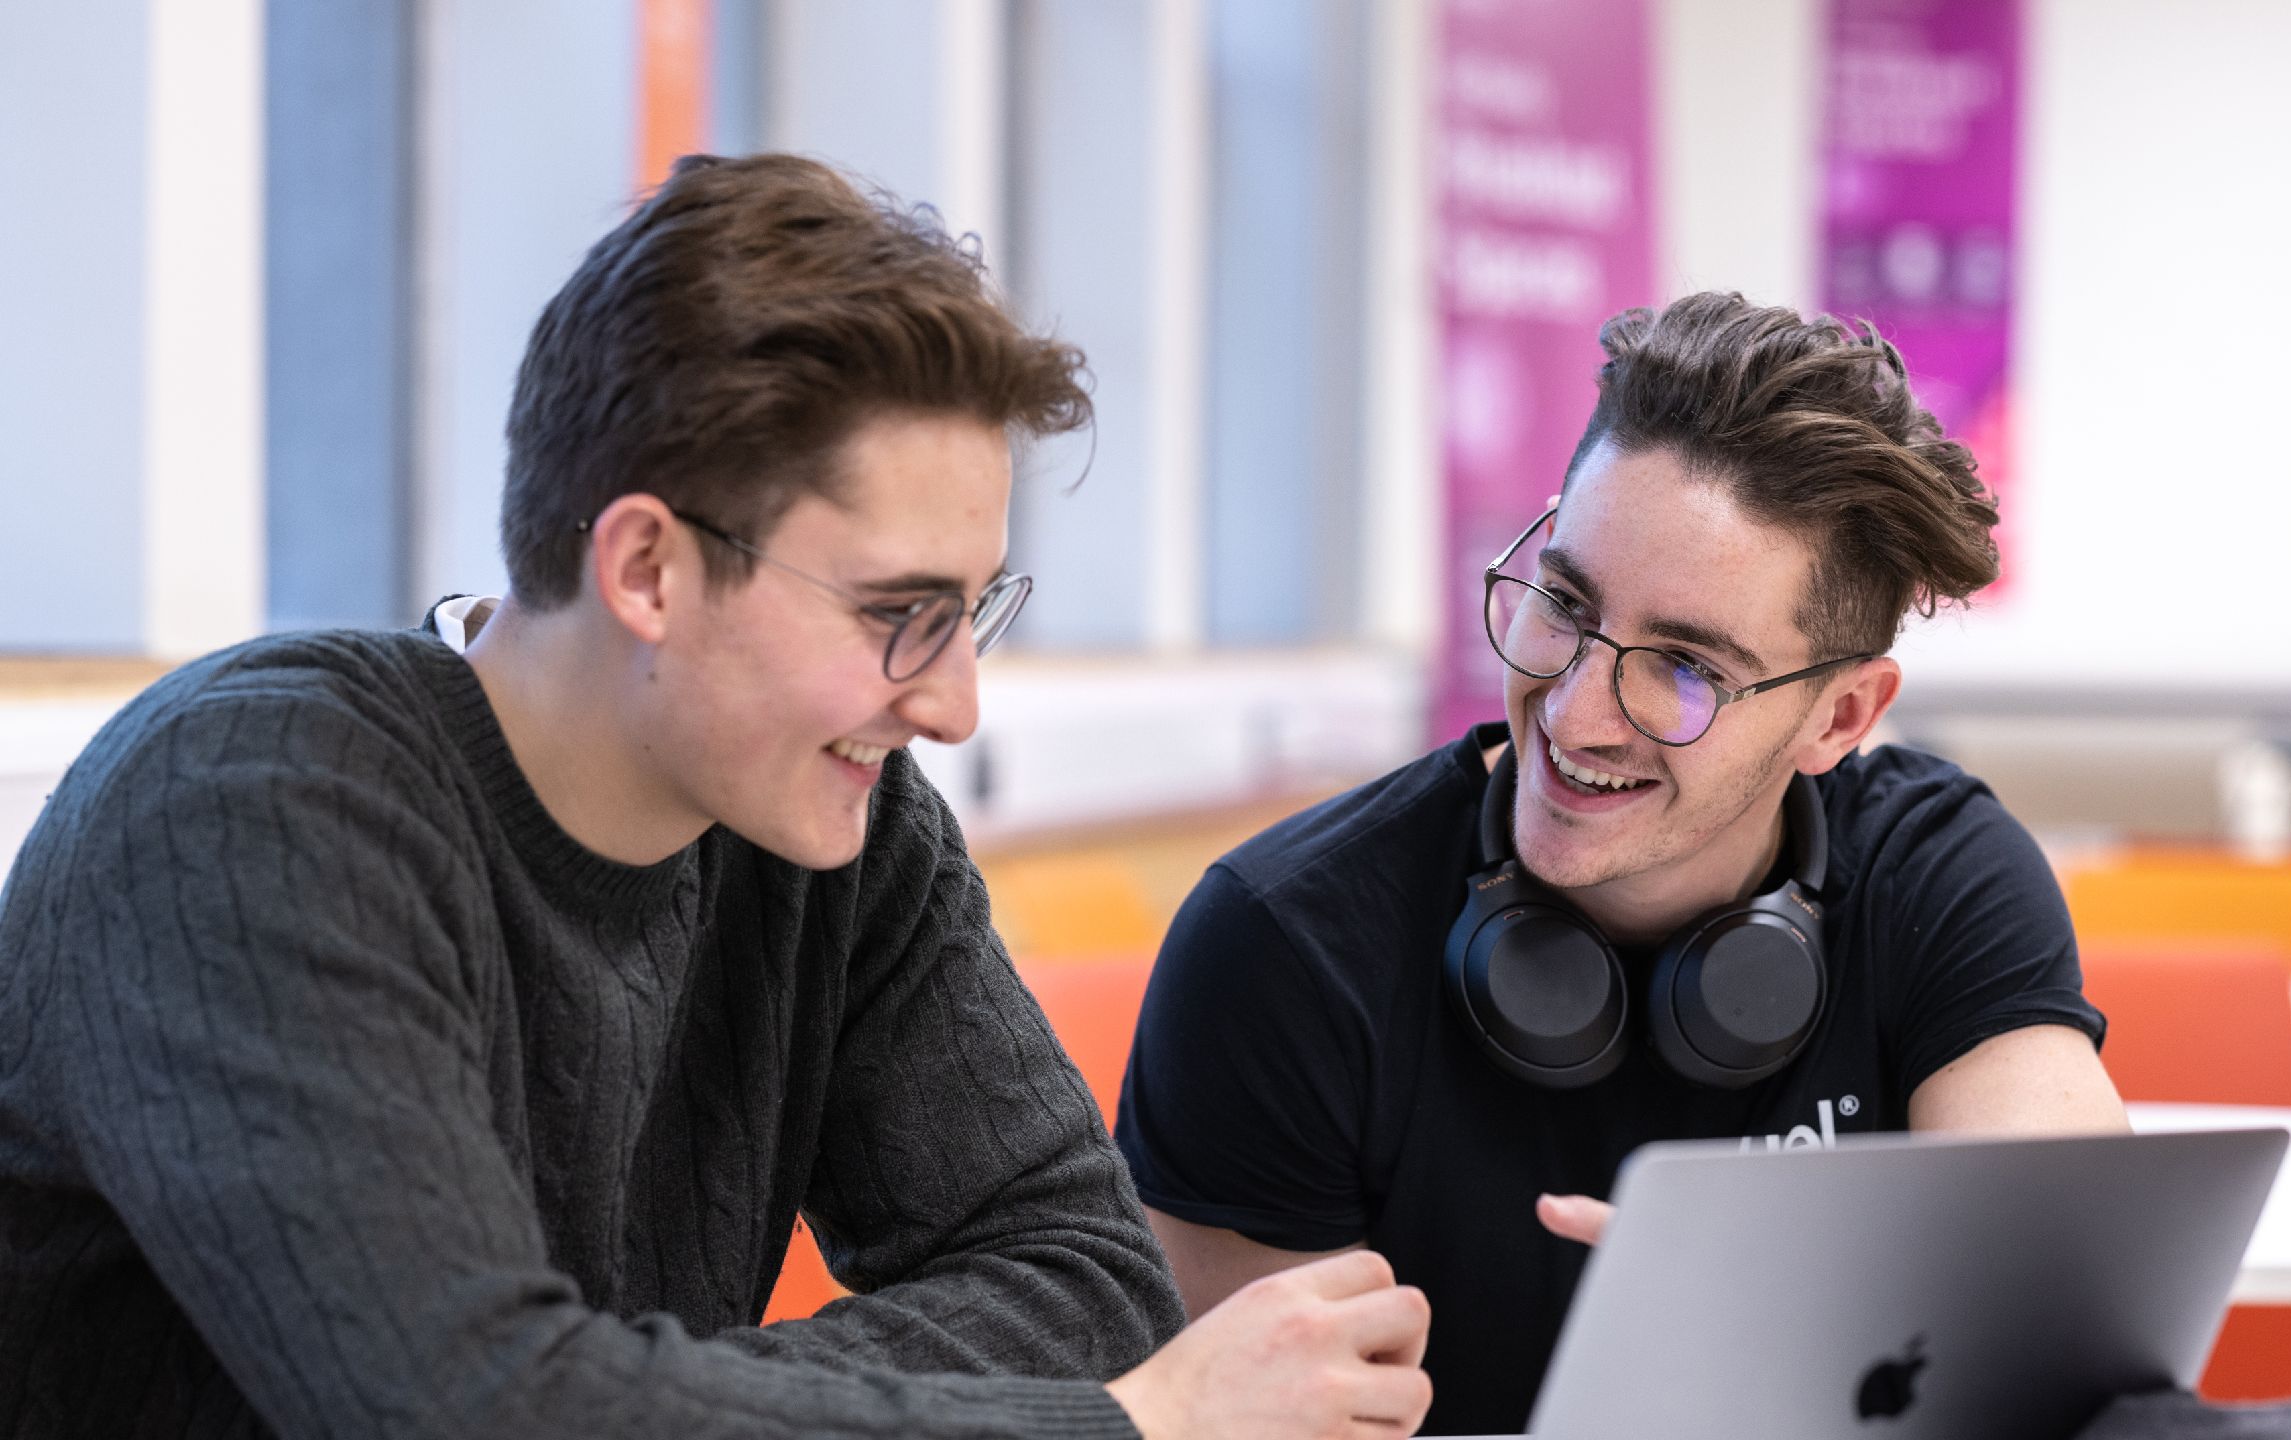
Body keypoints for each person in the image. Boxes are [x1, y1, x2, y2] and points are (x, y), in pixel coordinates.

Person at [0, 155, 1427, 1440]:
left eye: (971, 613)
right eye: (899, 614)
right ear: (648, 571)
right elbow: (468, 1411)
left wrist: (623, 1391)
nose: (951, 705)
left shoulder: (842, 830)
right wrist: (1121, 1427)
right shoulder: (250, 810)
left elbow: (1091, 1281)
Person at [1113, 293, 2129, 1436]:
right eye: (1564, 602)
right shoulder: (1285, 940)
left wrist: (1794, 1323)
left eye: (1686, 667)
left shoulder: (1933, 870)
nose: (1576, 714)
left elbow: (2070, 1318)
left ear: (1839, 716)